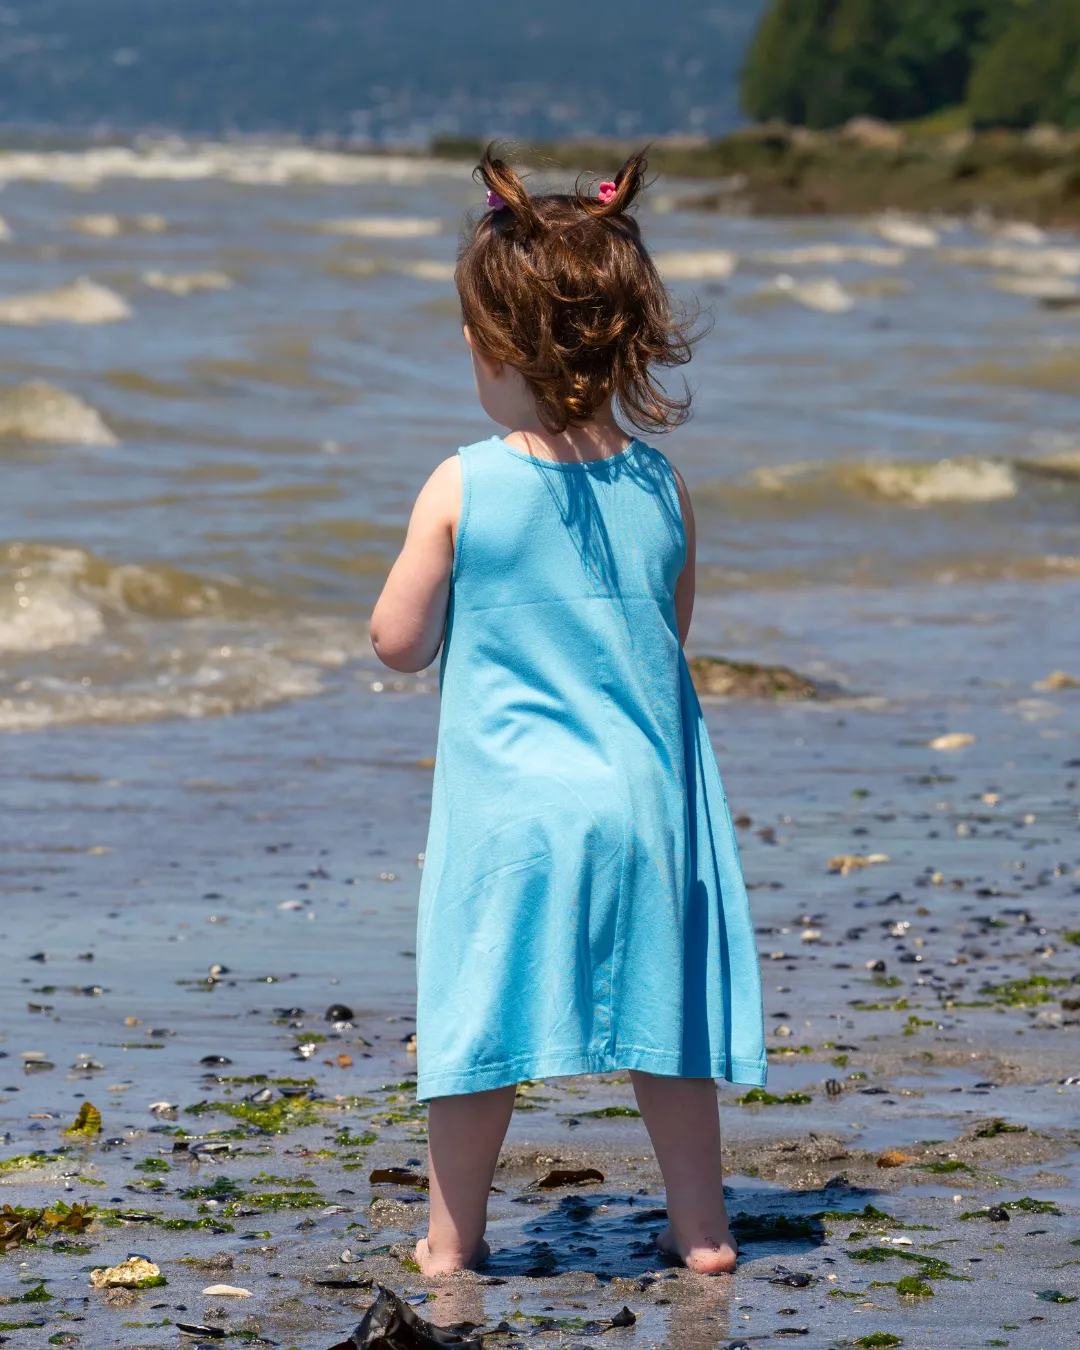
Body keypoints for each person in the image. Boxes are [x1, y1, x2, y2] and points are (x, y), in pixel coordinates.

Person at [370, 146, 766, 1278]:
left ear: (494, 351)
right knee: (668, 1031)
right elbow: (666, 632)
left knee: (478, 1026)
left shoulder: (462, 483)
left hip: (511, 818)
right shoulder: (660, 485)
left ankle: (453, 1240)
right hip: (643, 806)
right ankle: (702, 1231)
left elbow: (399, 644)